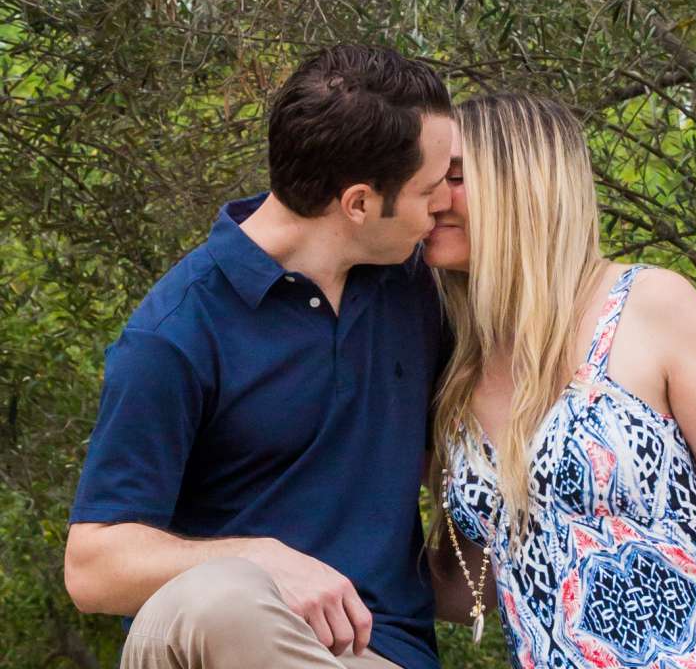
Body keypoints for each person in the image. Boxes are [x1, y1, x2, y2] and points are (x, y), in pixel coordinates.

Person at [425, 91, 696, 669]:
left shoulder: (647, 304)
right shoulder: (450, 359)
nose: (430, 197)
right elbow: (475, 588)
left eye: (453, 177)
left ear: (519, 187)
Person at [65, 43, 456, 669]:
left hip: (378, 653)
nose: (443, 207)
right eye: (430, 189)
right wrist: (257, 557)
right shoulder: (177, 332)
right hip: (223, 641)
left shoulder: (417, 288)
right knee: (226, 598)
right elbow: (92, 566)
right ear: (358, 203)